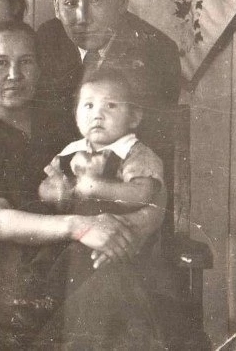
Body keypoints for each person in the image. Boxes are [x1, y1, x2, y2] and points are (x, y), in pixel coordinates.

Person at [0, 20, 164, 349]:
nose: (14, 74)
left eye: (25, 62)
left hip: (85, 258)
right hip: (16, 277)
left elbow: (149, 183)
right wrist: (83, 227)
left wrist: (127, 233)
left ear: (39, 69)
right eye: (1, 63)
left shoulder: (74, 121)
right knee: (113, 290)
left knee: (111, 280)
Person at [36, 0, 181, 199]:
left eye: (96, 0)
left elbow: (151, 150)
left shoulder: (157, 51)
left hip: (127, 190)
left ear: (122, 1)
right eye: (70, 3)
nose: (82, 18)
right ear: (56, 5)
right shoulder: (48, 39)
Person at [38, 69, 164, 300]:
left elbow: (143, 193)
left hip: (122, 243)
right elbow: (44, 187)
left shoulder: (135, 154)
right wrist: (56, 190)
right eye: (88, 105)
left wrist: (96, 187)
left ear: (134, 117)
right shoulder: (70, 152)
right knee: (49, 263)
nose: (98, 114)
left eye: (111, 106)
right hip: (75, 239)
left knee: (106, 284)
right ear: (76, 115)